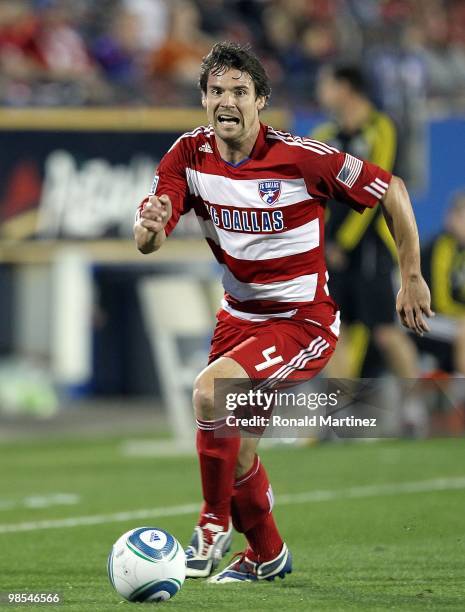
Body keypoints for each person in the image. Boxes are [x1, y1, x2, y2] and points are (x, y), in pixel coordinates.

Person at [134, 42, 432, 584]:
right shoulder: (186, 155)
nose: (227, 101)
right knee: (240, 454)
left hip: (302, 321)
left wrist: (410, 275)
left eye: (239, 92)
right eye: (217, 91)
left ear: (261, 100)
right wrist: (151, 225)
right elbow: (149, 237)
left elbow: (393, 190)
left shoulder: (301, 156)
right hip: (237, 318)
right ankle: (267, 556)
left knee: (209, 392)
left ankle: (210, 524)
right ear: (203, 99)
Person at [312, 64, 419, 379]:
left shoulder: (381, 127)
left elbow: (376, 190)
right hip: (331, 250)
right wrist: (323, 242)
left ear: (345, 88)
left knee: (385, 332)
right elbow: (314, 195)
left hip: (371, 246)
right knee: (334, 333)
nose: (321, 92)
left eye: (326, 83)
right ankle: (342, 418)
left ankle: (418, 406)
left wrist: (342, 242)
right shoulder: (324, 136)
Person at [414, 192, 465, 375]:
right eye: (459, 215)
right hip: (431, 318)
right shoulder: (440, 246)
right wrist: (462, 316)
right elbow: (440, 299)